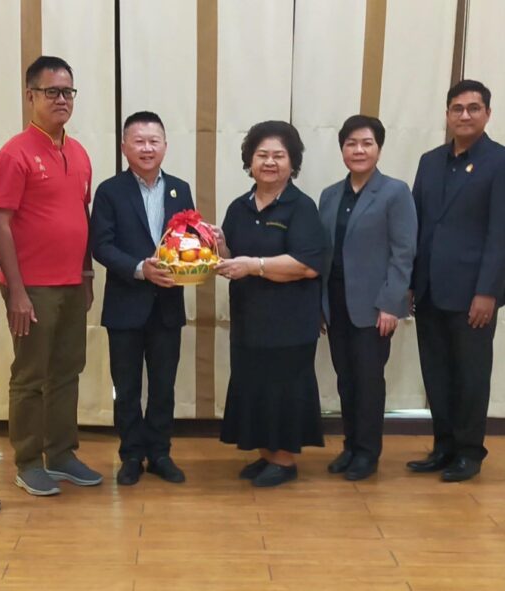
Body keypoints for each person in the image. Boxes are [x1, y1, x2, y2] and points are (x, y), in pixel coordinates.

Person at [0, 55, 102, 496]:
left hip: (72, 283)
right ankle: (27, 460)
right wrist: (16, 291)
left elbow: (81, 216)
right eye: (51, 91)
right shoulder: (14, 153)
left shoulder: (79, 152)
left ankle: (61, 454)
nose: (61, 99)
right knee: (31, 374)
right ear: (30, 96)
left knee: (68, 369)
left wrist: (87, 273)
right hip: (31, 286)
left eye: (68, 92)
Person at [214, 121, 326, 487]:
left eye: (279, 155)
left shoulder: (302, 207)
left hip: (290, 321)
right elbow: (233, 259)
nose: (270, 162)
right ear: (250, 161)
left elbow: (307, 265)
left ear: (293, 163)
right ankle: (266, 455)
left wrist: (254, 266)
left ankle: (284, 461)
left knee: (284, 389)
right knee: (254, 385)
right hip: (248, 318)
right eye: (262, 155)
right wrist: (220, 249)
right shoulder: (239, 207)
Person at [407, 80, 505, 482]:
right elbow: (416, 225)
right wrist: (410, 283)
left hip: (472, 294)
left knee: (470, 375)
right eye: (457, 108)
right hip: (429, 289)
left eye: (473, 108)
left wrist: (488, 291)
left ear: (487, 114)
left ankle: (469, 452)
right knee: (437, 373)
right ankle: (444, 447)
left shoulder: (499, 161)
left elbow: (500, 233)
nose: (465, 115)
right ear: (447, 114)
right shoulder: (430, 161)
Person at [91, 111, 194, 486]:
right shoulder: (109, 191)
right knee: (127, 387)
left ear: (165, 145)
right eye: (139, 141)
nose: (147, 148)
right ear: (124, 147)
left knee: (164, 386)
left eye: (154, 141)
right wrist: (139, 268)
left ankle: (161, 453)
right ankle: (132, 454)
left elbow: (187, 240)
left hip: (167, 304)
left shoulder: (180, 188)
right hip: (125, 305)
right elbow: (101, 245)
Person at [319, 115, 417, 481]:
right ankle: (350, 446)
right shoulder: (330, 195)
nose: (358, 150)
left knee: (368, 381)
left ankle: (367, 452)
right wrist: (319, 304)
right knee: (346, 379)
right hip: (335, 302)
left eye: (367, 143)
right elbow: (323, 252)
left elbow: (404, 253)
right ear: (342, 149)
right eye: (351, 143)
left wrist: (391, 304)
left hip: (374, 306)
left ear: (379, 148)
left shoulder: (395, 192)